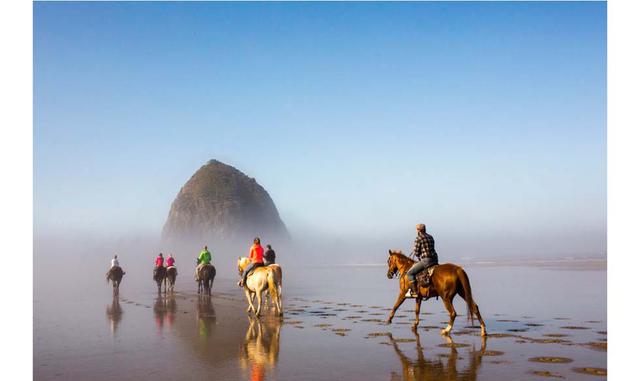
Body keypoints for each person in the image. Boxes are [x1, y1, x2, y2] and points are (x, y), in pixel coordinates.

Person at [405, 224, 439, 297]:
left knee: (410, 273)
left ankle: (415, 292)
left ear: (419, 230)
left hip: (426, 261)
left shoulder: (418, 238)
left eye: (416, 229)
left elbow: (417, 252)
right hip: (435, 260)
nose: (416, 231)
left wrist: (416, 251)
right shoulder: (430, 237)